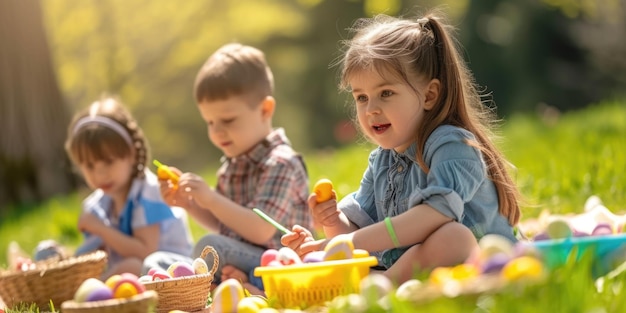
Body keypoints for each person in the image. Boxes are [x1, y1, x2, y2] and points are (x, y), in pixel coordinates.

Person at [282, 11, 522, 285]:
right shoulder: (382, 161)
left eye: (386, 93)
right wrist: (333, 222)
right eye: (361, 97)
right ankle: (377, 286)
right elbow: (362, 236)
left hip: (482, 262)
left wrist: (349, 241)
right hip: (414, 270)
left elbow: (435, 214)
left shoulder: (452, 145)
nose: (371, 109)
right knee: (368, 254)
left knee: (454, 237)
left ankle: (376, 290)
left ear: (429, 95)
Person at [144, 43, 312, 292]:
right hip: (240, 257)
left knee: (212, 246)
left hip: (279, 265)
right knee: (155, 262)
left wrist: (210, 198)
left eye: (228, 120)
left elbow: (259, 229)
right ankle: (227, 285)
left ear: (265, 109)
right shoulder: (232, 166)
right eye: (210, 122)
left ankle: (210, 290)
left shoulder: (281, 162)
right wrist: (190, 203)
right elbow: (224, 223)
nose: (217, 131)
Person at [65, 95, 194, 279]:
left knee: (133, 266)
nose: (100, 175)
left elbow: (144, 253)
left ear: (131, 154)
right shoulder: (99, 204)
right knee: (60, 257)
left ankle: (88, 292)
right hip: (133, 271)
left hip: (172, 272)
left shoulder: (149, 193)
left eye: (109, 162)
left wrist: (101, 229)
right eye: (90, 166)